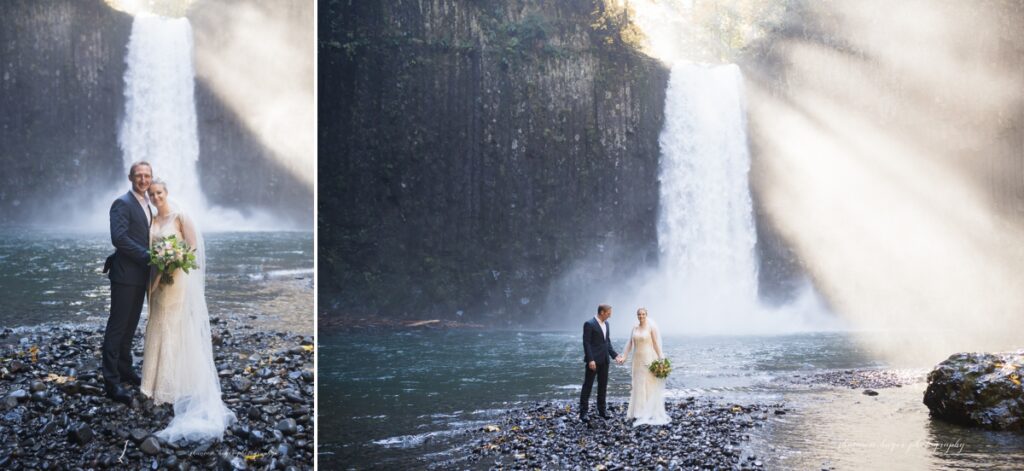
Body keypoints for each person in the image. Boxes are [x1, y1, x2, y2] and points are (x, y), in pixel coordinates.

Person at [142, 179, 235, 442]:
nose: (156, 197)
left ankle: (173, 386)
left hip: (177, 278)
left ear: (166, 192)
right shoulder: (151, 222)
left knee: (173, 324)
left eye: (158, 192)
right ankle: (154, 384)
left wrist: (176, 260)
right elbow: (150, 250)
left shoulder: (180, 216)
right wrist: (161, 262)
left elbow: (192, 246)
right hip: (158, 278)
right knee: (157, 322)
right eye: (151, 194)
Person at [101, 161, 152, 405]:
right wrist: (148, 256)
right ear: (130, 177)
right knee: (117, 327)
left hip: (140, 275)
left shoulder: (148, 202)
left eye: (147, 175)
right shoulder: (122, 203)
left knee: (130, 325)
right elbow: (119, 238)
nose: (143, 179)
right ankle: (111, 382)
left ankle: (125, 369)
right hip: (124, 275)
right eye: (139, 175)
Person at [618, 307, 670, 425]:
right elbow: (630, 344)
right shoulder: (634, 328)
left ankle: (649, 411)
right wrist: (624, 357)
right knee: (637, 383)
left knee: (648, 383)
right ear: (637, 315)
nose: (641, 316)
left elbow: (656, 344)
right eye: (639, 314)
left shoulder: (651, 327)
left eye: (643, 314)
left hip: (648, 358)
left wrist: (661, 357)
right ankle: (638, 412)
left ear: (646, 315)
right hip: (637, 359)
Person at [580, 304, 623, 422]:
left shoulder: (607, 324)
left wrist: (615, 356)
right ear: (602, 312)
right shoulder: (589, 324)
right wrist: (590, 359)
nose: (610, 315)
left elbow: (607, 343)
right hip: (593, 361)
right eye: (609, 313)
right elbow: (586, 343)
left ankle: (602, 411)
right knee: (587, 386)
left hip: (604, 360)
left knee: (603, 387)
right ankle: (583, 413)